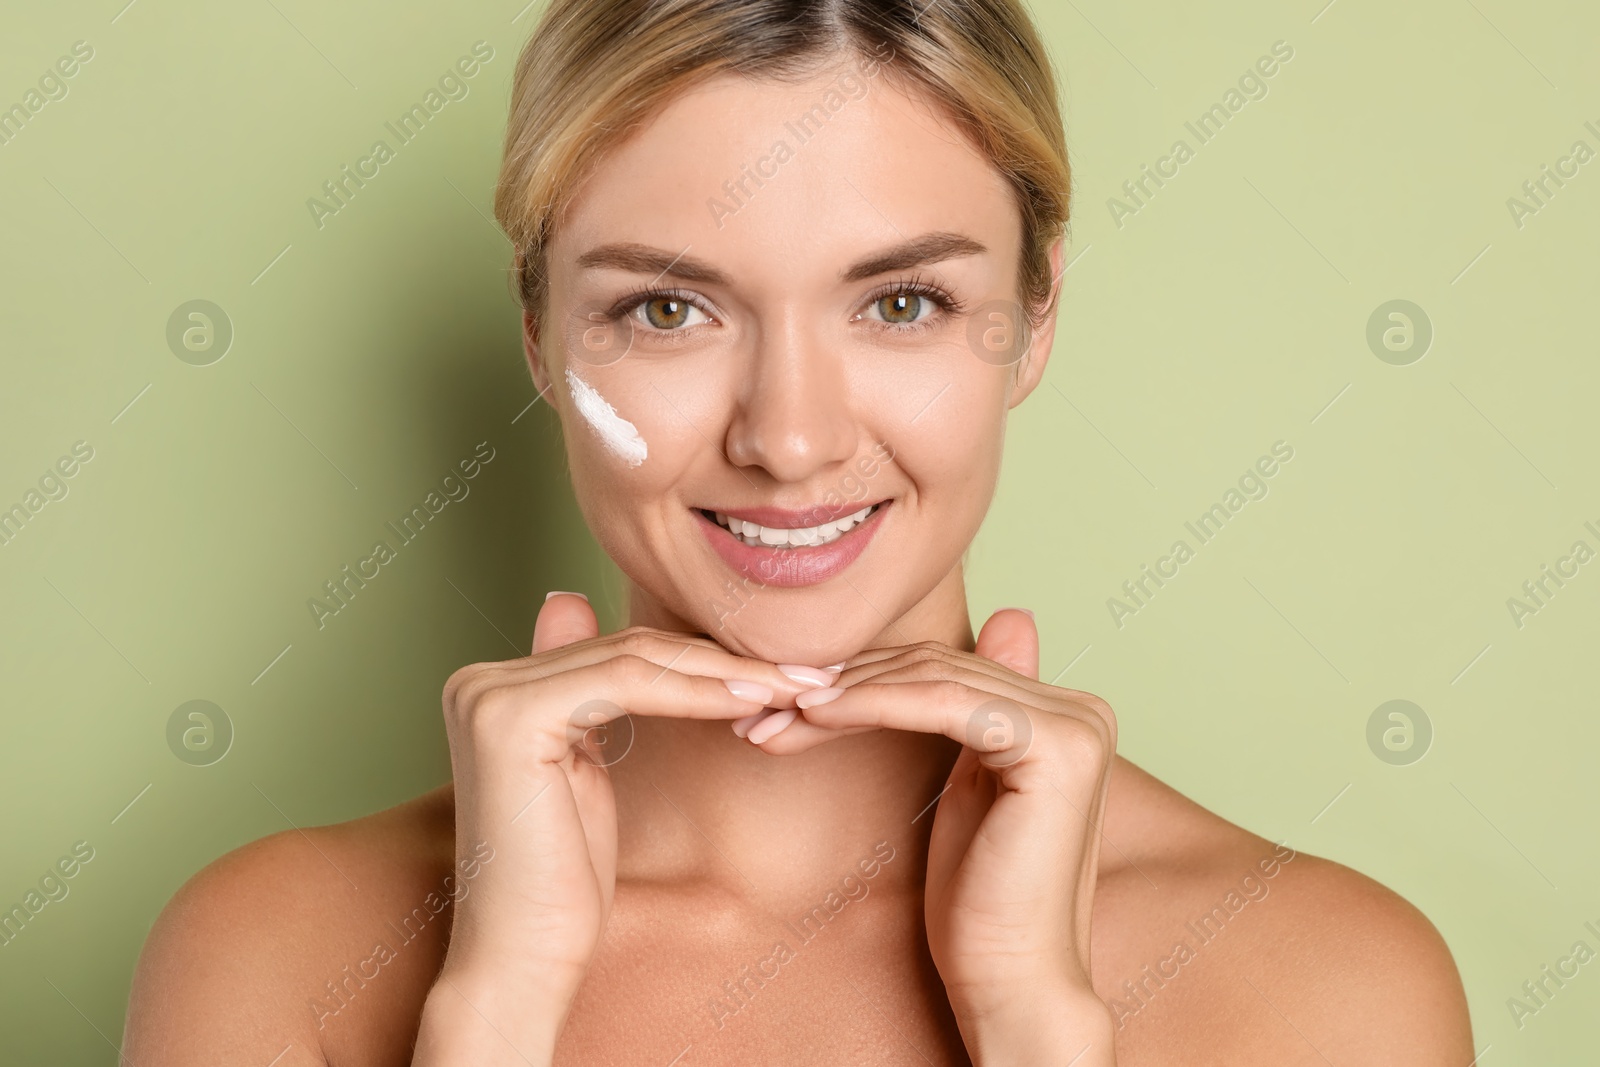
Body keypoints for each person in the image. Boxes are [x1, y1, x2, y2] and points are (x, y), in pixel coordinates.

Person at [123, 1, 1474, 1062]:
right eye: (667, 308)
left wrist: (1034, 1027)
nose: (790, 438)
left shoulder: (1327, 988)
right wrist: (497, 1007)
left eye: (899, 305)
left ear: (1033, 317)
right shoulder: (273, 957)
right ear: (539, 332)